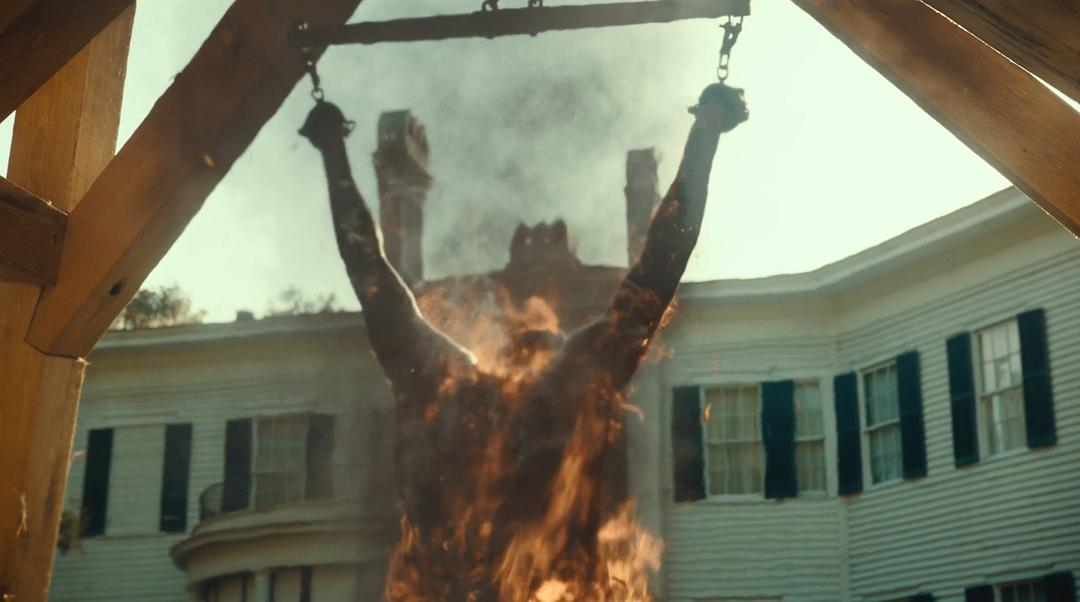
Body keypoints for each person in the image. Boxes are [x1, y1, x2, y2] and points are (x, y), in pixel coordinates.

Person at [300, 83, 748, 601]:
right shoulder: (554, 386)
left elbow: (369, 271)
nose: (540, 327)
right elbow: (662, 262)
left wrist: (332, 152)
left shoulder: (461, 387)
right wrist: (706, 132)